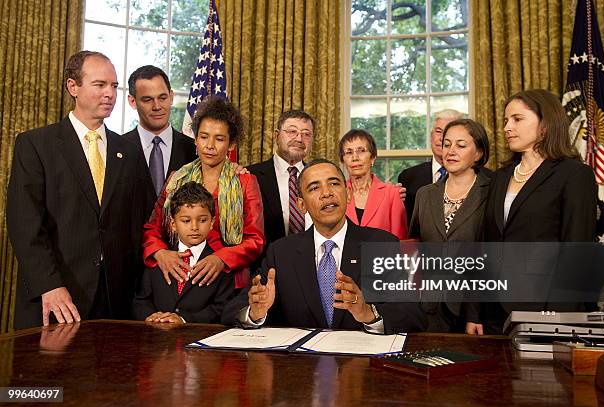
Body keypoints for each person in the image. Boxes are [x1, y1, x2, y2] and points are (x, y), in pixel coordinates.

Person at [7, 51, 151, 329]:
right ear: (73, 87)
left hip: (115, 304)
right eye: (100, 85)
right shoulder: (36, 145)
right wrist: (49, 285)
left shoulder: (129, 152)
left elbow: (140, 224)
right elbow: (25, 225)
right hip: (56, 299)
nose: (110, 93)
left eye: (114, 86)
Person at [223, 159, 426, 333]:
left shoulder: (381, 244)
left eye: (334, 184)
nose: (326, 193)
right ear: (301, 205)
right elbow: (233, 311)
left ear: (347, 193)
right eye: (314, 188)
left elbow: (412, 315)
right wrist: (256, 313)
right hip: (302, 369)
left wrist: (367, 313)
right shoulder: (282, 252)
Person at [482, 89, 598, 333]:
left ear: (545, 124)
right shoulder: (500, 177)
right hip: (494, 311)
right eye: (505, 121)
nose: (507, 127)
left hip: (546, 311)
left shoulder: (574, 174)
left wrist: (556, 320)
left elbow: (576, 252)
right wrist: (476, 311)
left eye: (517, 119)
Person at [142, 96, 265, 290]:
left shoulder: (245, 181)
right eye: (204, 136)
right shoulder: (177, 178)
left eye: (219, 139)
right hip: (181, 275)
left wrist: (221, 259)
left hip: (228, 281)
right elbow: (153, 228)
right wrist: (160, 253)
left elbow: (255, 240)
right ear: (196, 139)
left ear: (231, 144)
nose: (209, 146)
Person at [409, 119, 491, 334]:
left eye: (461, 145)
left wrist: (476, 313)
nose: (451, 151)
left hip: (474, 309)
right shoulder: (425, 194)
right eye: (447, 144)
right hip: (429, 308)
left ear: (479, 153)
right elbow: (415, 248)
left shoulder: (493, 191)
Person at [133, 182, 234, 323]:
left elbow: (221, 308)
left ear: (212, 222)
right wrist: (152, 316)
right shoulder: (159, 259)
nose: (194, 227)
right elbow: (141, 301)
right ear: (173, 224)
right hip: (158, 338)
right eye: (186, 221)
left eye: (202, 220)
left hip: (198, 339)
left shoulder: (219, 265)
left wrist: (183, 319)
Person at [124, 65, 197, 207]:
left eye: (162, 98)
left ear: (171, 97)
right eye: (147, 100)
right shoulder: (117, 148)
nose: (157, 106)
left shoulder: (194, 150)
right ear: (132, 101)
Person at [247, 110, 315, 245]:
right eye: (292, 132)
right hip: (266, 262)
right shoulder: (250, 175)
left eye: (306, 134)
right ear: (276, 135)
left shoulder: (317, 177)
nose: (299, 139)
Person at [398, 109, 466, 221]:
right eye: (438, 131)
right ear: (430, 136)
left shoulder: (482, 179)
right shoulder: (408, 177)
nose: (442, 138)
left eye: (449, 132)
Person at [339, 129, 407, 239]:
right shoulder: (337, 194)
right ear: (343, 160)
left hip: (381, 256)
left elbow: (399, 241)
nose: (355, 157)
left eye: (361, 151)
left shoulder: (392, 194)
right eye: (349, 152)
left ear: (373, 158)